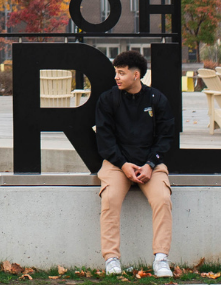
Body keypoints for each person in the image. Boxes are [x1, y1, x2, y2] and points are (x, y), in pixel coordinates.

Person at [93, 50, 176, 277]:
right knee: (109, 198)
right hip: (117, 163)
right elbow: (105, 140)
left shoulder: (157, 100)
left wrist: (150, 164)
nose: (116, 77)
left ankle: (161, 259)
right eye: (116, 73)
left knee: (162, 199)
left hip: (151, 164)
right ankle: (112, 259)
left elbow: (166, 138)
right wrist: (123, 164)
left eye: (121, 73)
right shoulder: (107, 99)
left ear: (136, 75)